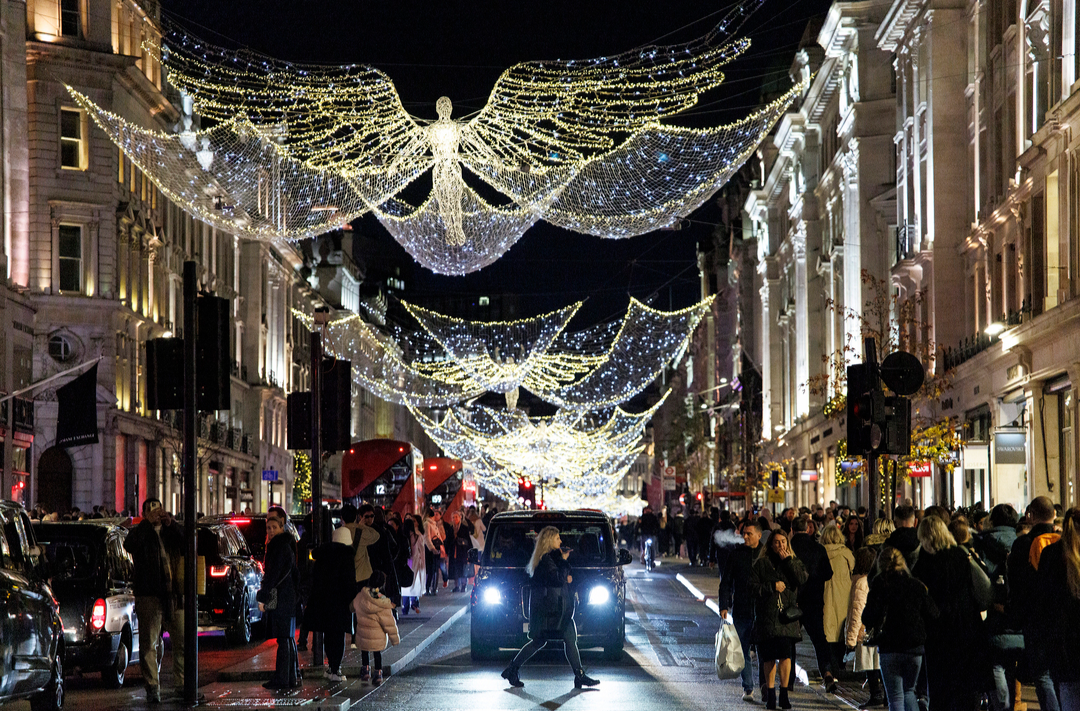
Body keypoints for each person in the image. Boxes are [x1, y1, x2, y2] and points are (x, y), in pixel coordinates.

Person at [501, 526, 599, 689]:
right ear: (549, 540)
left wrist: (564, 569)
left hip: (555, 608)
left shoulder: (547, 558)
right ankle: (513, 668)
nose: (561, 541)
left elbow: (564, 579)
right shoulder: (545, 559)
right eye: (557, 538)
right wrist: (564, 561)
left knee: (567, 638)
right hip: (550, 610)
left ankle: (579, 675)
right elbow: (559, 579)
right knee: (540, 640)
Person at [911, 514, 990, 711]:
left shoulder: (923, 563)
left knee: (940, 686)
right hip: (966, 626)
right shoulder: (961, 555)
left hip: (938, 630)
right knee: (965, 685)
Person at [862, 546, 939, 711]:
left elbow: (868, 616)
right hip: (914, 647)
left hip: (890, 646)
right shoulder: (916, 585)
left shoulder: (880, 583)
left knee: (895, 696)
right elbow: (933, 613)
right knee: (909, 691)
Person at [124, 499, 185, 704]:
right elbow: (129, 544)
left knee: (182, 640)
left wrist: (172, 524)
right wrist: (145, 523)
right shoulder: (142, 532)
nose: (155, 513)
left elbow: (188, 542)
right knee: (149, 643)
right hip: (149, 594)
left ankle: (182, 685)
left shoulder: (170, 532)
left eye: (158, 508)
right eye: (150, 510)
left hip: (174, 594)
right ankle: (152, 687)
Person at [1008, 496, 1062, 711]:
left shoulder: (1022, 544)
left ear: (1030, 516)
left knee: (1042, 674)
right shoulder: (1063, 541)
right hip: (1060, 614)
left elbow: (1016, 582)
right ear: (1054, 514)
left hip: (1034, 616)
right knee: (1060, 671)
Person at [751, 529, 808, 710]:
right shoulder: (761, 564)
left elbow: (801, 579)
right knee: (768, 658)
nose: (780, 545)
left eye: (783, 541)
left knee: (785, 656)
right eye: (776, 542)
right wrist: (771, 586)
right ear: (771, 544)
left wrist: (789, 562)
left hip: (786, 619)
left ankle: (784, 694)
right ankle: (770, 694)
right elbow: (751, 587)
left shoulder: (794, 561)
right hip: (767, 618)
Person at [1036, 508, 1080, 710]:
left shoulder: (1051, 555)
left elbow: (1042, 603)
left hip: (1063, 648)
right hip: (1066, 645)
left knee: (1069, 699)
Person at [302, 526, 356, 681]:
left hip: (323, 600)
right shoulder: (346, 556)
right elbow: (349, 582)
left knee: (327, 634)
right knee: (338, 636)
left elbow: (315, 578)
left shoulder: (323, 555)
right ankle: (335, 668)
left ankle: (330, 668)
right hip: (340, 602)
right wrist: (352, 599)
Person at [719, 522, 764, 702]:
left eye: (749, 534)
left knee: (763, 651)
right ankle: (748, 687)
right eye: (744, 533)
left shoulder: (766, 554)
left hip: (762, 609)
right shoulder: (736, 554)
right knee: (743, 649)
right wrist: (724, 605)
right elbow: (726, 582)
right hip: (742, 609)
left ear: (759, 535)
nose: (745, 537)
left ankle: (765, 686)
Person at [788, 516, 834, 693]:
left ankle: (789, 679)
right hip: (814, 600)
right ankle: (827, 672)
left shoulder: (789, 548)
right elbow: (828, 573)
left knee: (790, 640)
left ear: (792, 530)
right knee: (819, 640)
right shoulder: (818, 548)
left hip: (794, 600)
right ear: (808, 529)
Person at [258, 510, 301, 691]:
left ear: (281, 527)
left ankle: (282, 678)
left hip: (281, 597)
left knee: (283, 639)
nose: (271, 530)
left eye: (274, 527)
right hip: (289, 596)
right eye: (268, 528)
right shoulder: (288, 544)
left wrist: (263, 596)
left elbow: (272, 574)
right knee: (287, 638)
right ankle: (289, 677)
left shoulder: (278, 546)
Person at [845, 547, 884, 709]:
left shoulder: (861, 583)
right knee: (878, 665)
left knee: (871, 666)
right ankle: (883, 696)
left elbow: (857, 612)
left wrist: (851, 639)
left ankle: (876, 695)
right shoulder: (878, 579)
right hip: (877, 630)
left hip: (864, 632)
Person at [820, 524, 854, 686]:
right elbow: (854, 571)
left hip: (826, 595)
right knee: (842, 632)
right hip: (844, 596)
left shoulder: (821, 552)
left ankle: (830, 669)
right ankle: (840, 667)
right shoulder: (846, 553)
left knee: (827, 634)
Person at [352, 569, 399, 685]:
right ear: (382, 584)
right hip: (377, 635)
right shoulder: (382, 601)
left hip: (363, 632)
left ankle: (365, 669)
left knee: (365, 650)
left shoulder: (361, 596)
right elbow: (389, 622)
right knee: (377, 653)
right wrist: (395, 639)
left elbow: (352, 607)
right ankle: (378, 673)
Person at [400, 516, 427, 614]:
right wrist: (423, 564)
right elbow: (421, 551)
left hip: (405, 562)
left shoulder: (402, 536)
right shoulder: (417, 536)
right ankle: (414, 602)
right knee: (414, 582)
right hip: (415, 562)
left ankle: (405, 606)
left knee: (405, 585)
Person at [446, 510, 473, 592]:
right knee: (455, 569)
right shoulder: (450, 529)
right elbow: (448, 541)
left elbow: (468, 541)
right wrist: (447, 551)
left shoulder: (464, 528)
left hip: (462, 552)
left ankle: (464, 585)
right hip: (453, 552)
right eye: (453, 517)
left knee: (463, 569)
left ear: (460, 517)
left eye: (456, 517)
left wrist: (469, 553)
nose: (455, 519)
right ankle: (456, 586)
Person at [424, 509, 447, 594]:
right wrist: (432, 548)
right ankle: (428, 588)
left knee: (435, 569)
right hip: (431, 550)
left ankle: (433, 588)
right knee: (431, 569)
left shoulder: (433, 524)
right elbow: (427, 537)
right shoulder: (428, 524)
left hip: (436, 549)